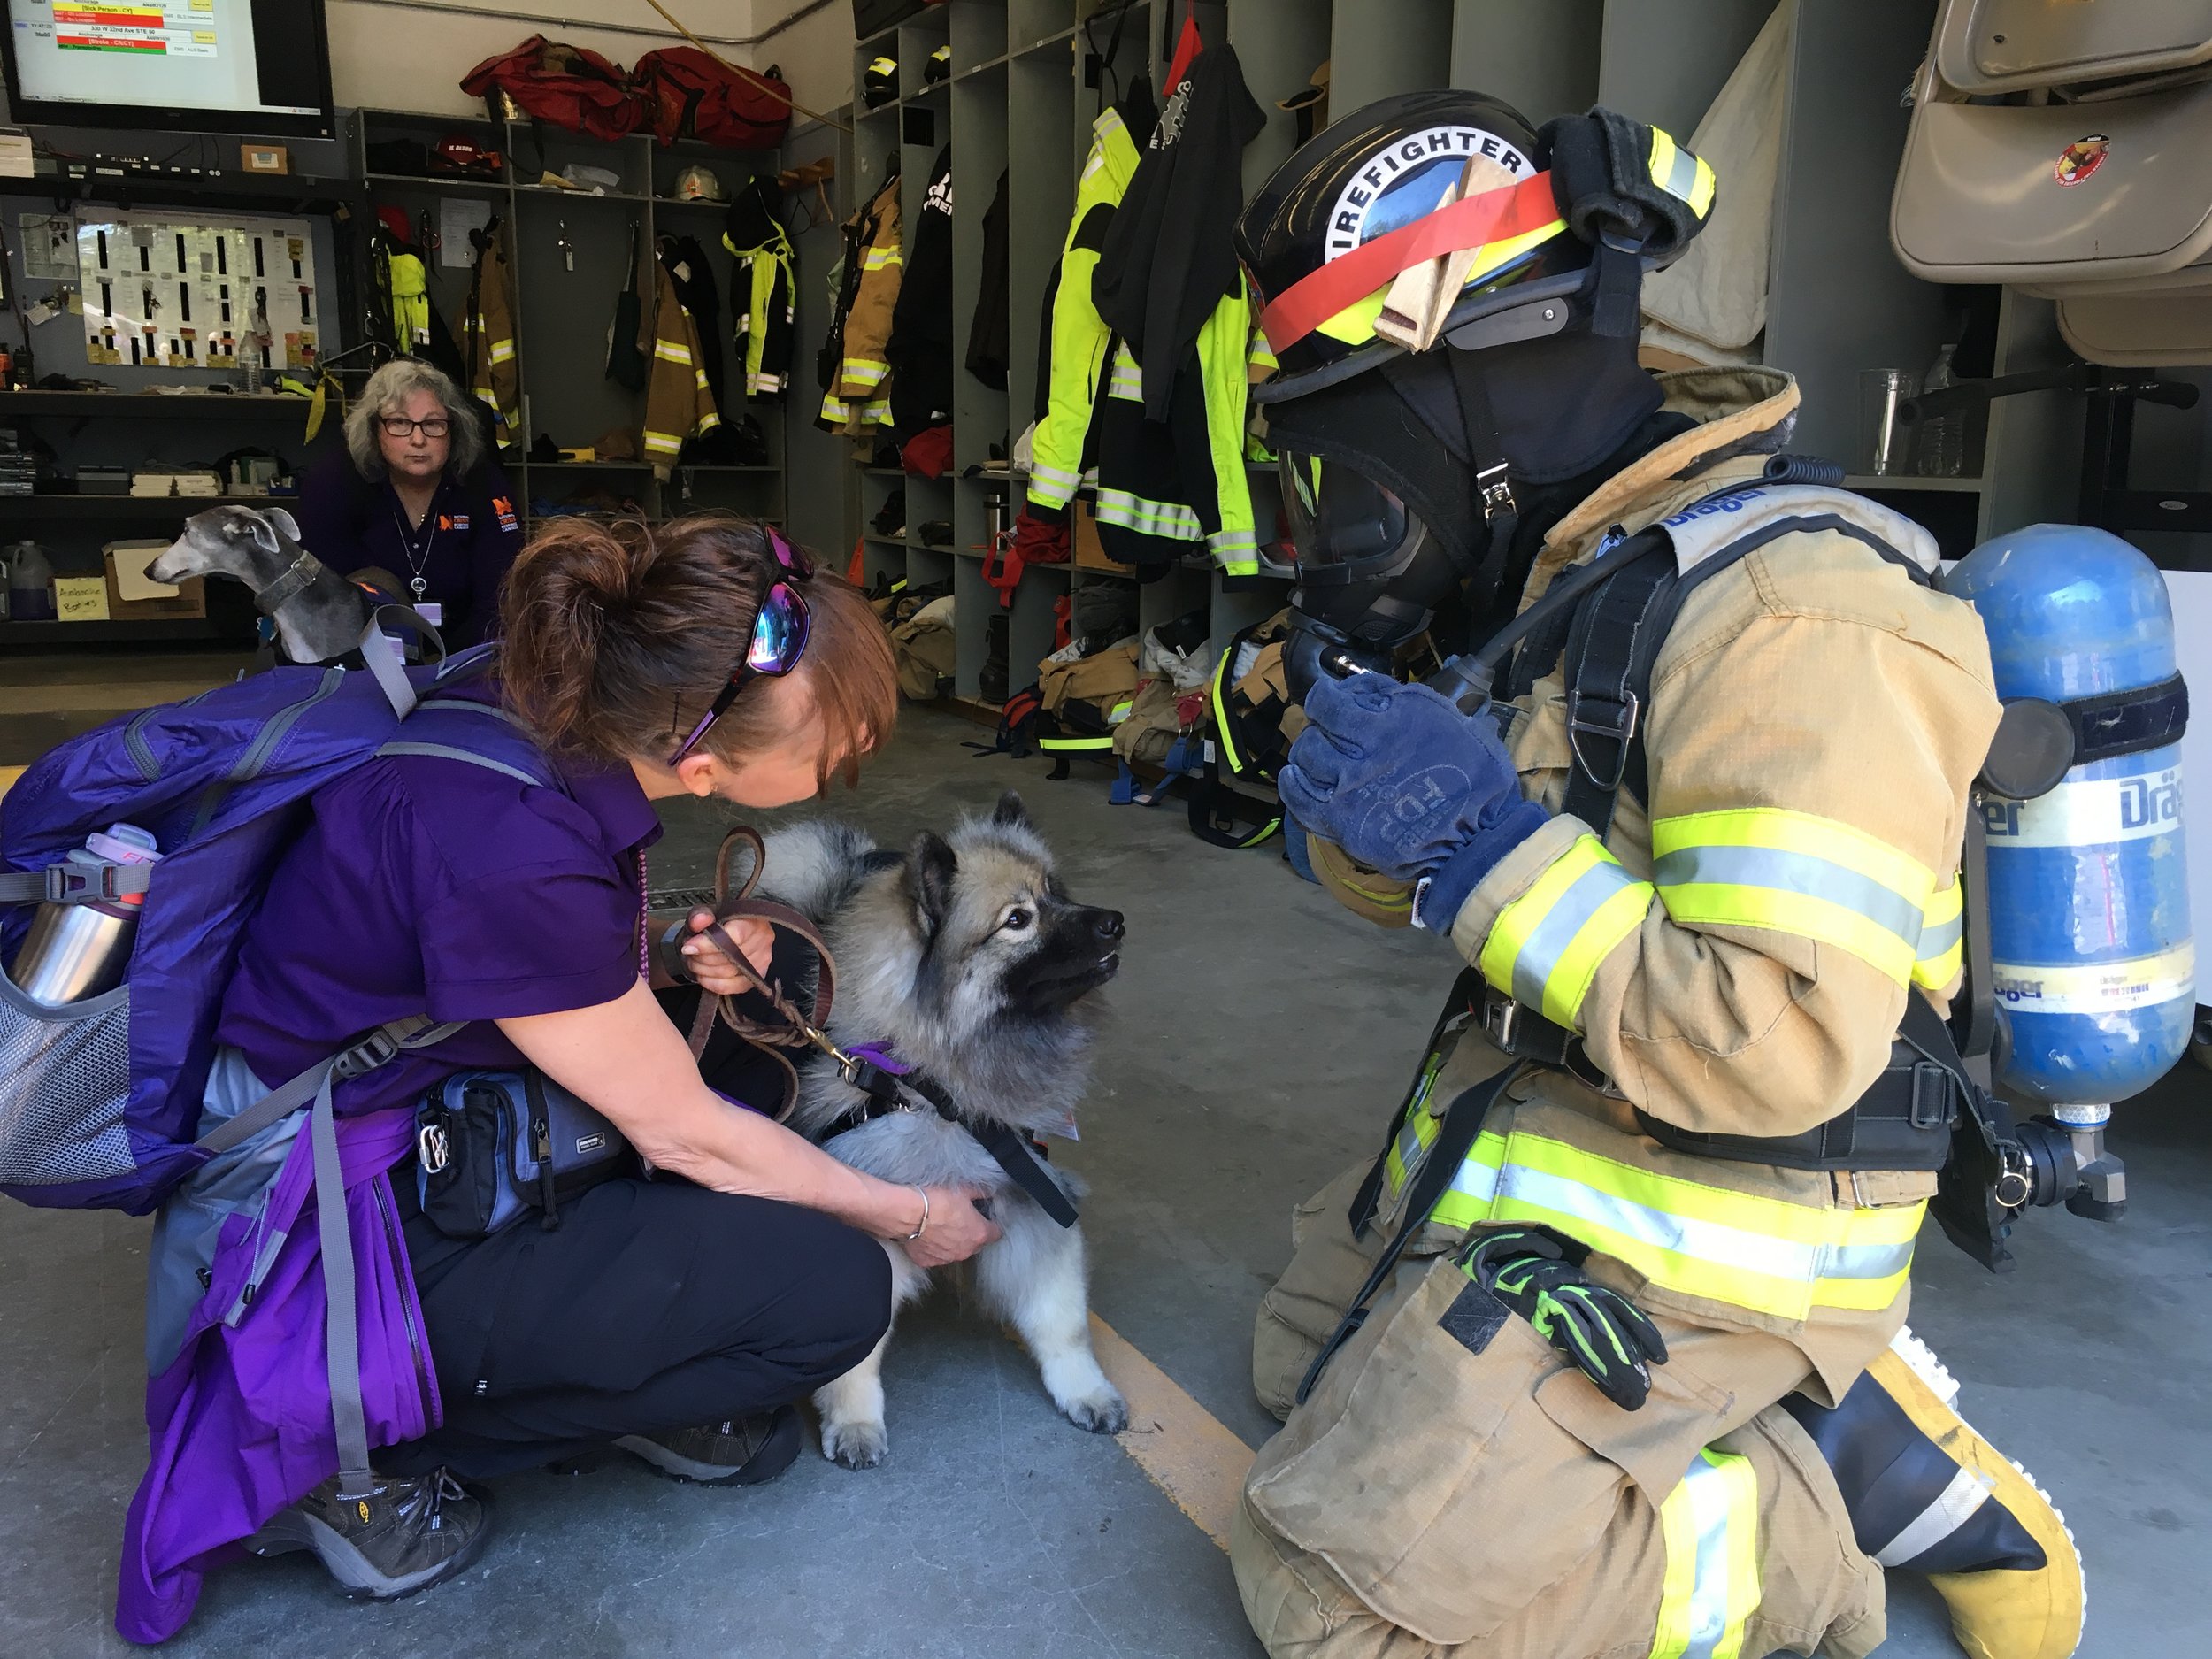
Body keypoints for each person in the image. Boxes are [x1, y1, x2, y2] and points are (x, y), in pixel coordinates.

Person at [1225, 92, 2085, 1659]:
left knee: (1345, 1609)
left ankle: (1810, 1511)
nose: (1337, 504)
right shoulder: (1580, 571)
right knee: (1299, 1373)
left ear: (1480, 363)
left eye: (1351, 433)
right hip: (1551, 1161)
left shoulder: (1802, 617)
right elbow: (1492, 891)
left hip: (1726, 1221)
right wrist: (1365, 809)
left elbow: (1771, 1042)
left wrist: (1477, 847)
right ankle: (1782, 1424)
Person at [165, 513, 1000, 1609]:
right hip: (331, 1223)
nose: (852, 755)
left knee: (754, 1071)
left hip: (405, 1093)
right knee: (833, 1290)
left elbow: (474, 948)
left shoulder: (530, 700)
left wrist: (655, 954)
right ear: (700, 762)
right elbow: (678, 1130)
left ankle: (619, 1368)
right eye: (834, 741)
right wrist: (905, 1217)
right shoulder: (509, 841)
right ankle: (351, 1460)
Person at [293, 358, 525, 645]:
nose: (418, 439)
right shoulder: (331, 483)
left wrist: (450, 671)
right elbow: (318, 602)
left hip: (467, 654)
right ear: (374, 429)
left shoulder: (486, 484)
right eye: (400, 423)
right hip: (362, 653)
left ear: (453, 430)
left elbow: (503, 600)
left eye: (433, 424)